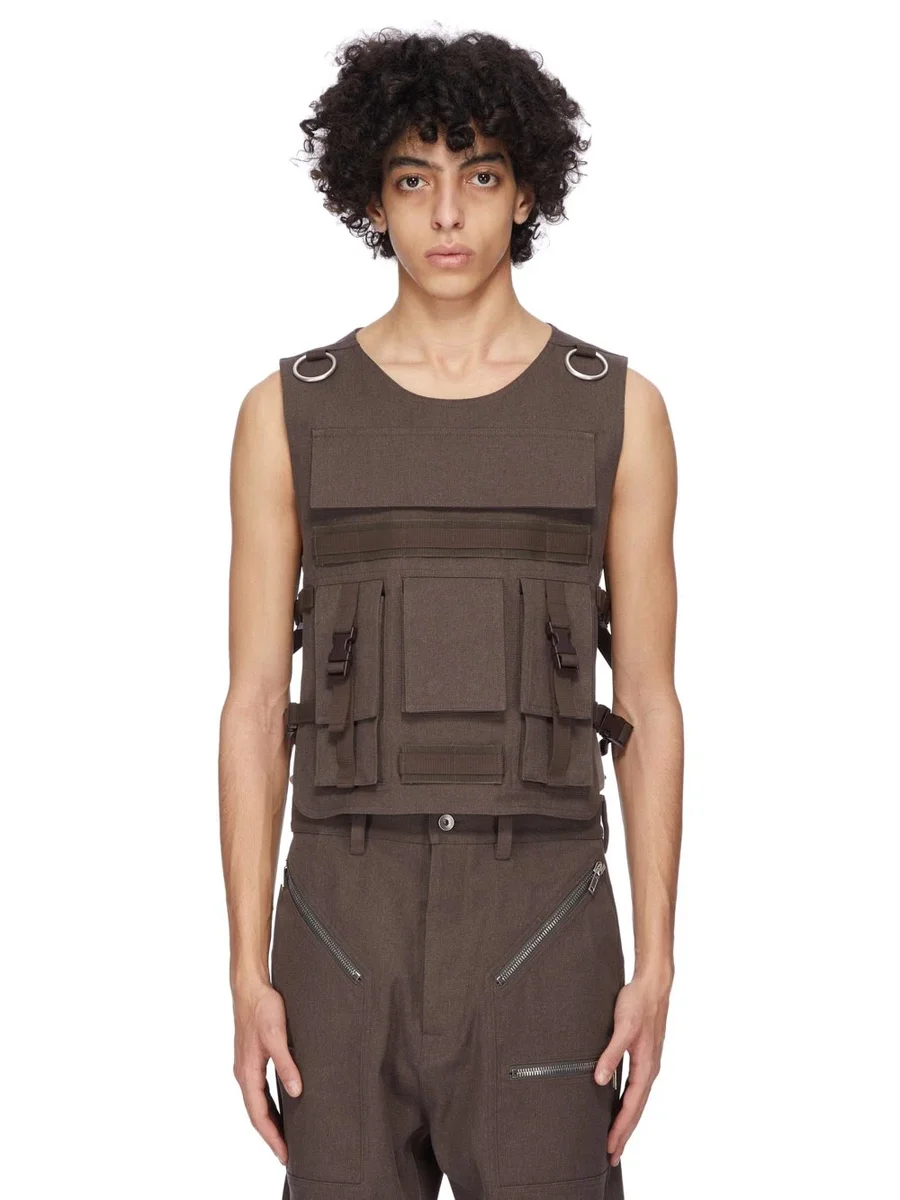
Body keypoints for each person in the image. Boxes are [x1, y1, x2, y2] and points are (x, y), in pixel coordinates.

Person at [219, 27, 682, 1200]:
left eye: (479, 175)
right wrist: (245, 969)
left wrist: (659, 961)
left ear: (525, 190)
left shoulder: (621, 411)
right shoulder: (285, 413)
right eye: (413, 179)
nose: (446, 214)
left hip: (547, 912)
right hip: (339, 913)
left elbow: (650, 698)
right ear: (371, 198)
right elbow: (251, 705)